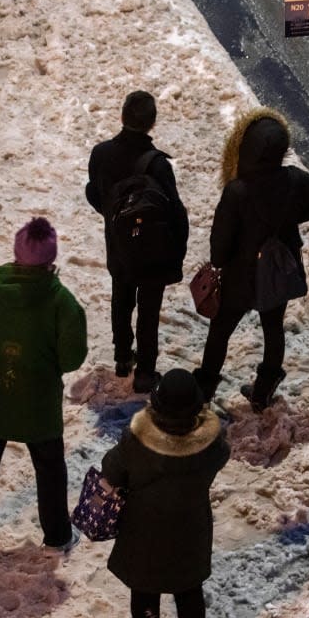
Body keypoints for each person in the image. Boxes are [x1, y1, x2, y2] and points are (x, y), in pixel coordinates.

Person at [0, 217, 88, 553]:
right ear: (52, 260)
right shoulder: (62, 303)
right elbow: (71, 359)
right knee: (50, 469)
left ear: (15, 252)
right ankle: (57, 537)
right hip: (37, 408)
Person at [193, 107, 309, 411]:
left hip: (239, 277)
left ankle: (203, 390)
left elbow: (220, 244)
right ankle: (263, 391)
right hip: (276, 272)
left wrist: (217, 262)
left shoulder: (237, 191)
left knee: (220, 331)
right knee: (273, 328)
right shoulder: (293, 180)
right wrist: (294, 216)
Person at [100, 369, 230, 618]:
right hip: (191, 531)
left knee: (145, 589)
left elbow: (112, 469)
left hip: (143, 531)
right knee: (189, 590)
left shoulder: (137, 441)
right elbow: (223, 455)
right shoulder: (210, 446)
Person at [86, 90, 189, 394]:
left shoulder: (101, 153)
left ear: (122, 117)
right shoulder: (158, 165)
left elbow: (95, 194)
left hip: (119, 246)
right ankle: (145, 371)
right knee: (148, 309)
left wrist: (112, 216)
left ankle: (121, 357)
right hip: (153, 252)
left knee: (121, 298)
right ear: (152, 123)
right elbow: (175, 212)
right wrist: (177, 254)